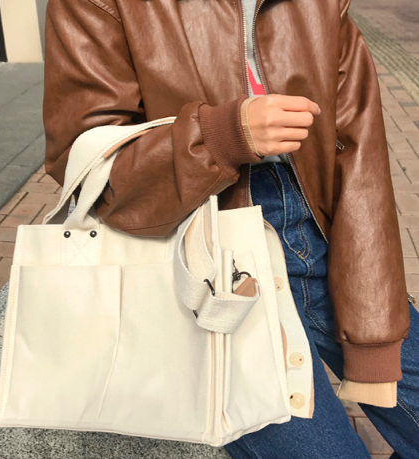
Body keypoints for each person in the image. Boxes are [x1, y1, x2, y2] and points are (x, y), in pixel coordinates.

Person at [42, 0, 419, 457]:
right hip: (208, 253)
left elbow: (360, 160)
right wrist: (221, 136)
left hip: (320, 227)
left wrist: (375, 333)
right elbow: (85, 165)